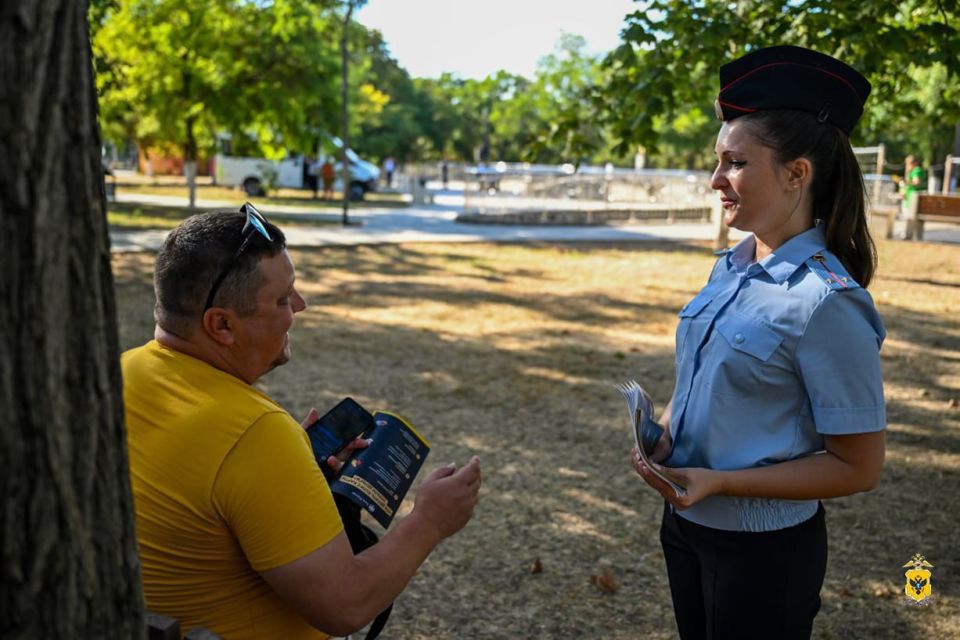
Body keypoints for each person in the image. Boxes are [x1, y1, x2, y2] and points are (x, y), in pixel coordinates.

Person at [122, 204, 482, 639]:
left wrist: (293, 473)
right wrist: (430, 521)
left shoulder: (117, 376)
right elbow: (345, 605)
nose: (300, 305)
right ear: (222, 325)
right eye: (281, 298)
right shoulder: (255, 435)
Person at [631, 45, 886, 640]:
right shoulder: (731, 266)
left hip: (763, 550)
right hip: (687, 523)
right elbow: (706, 383)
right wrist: (663, 435)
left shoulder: (829, 302)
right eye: (718, 161)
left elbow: (858, 466)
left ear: (798, 173)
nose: (716, 179)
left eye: (736, 163)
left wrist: (722, 481)